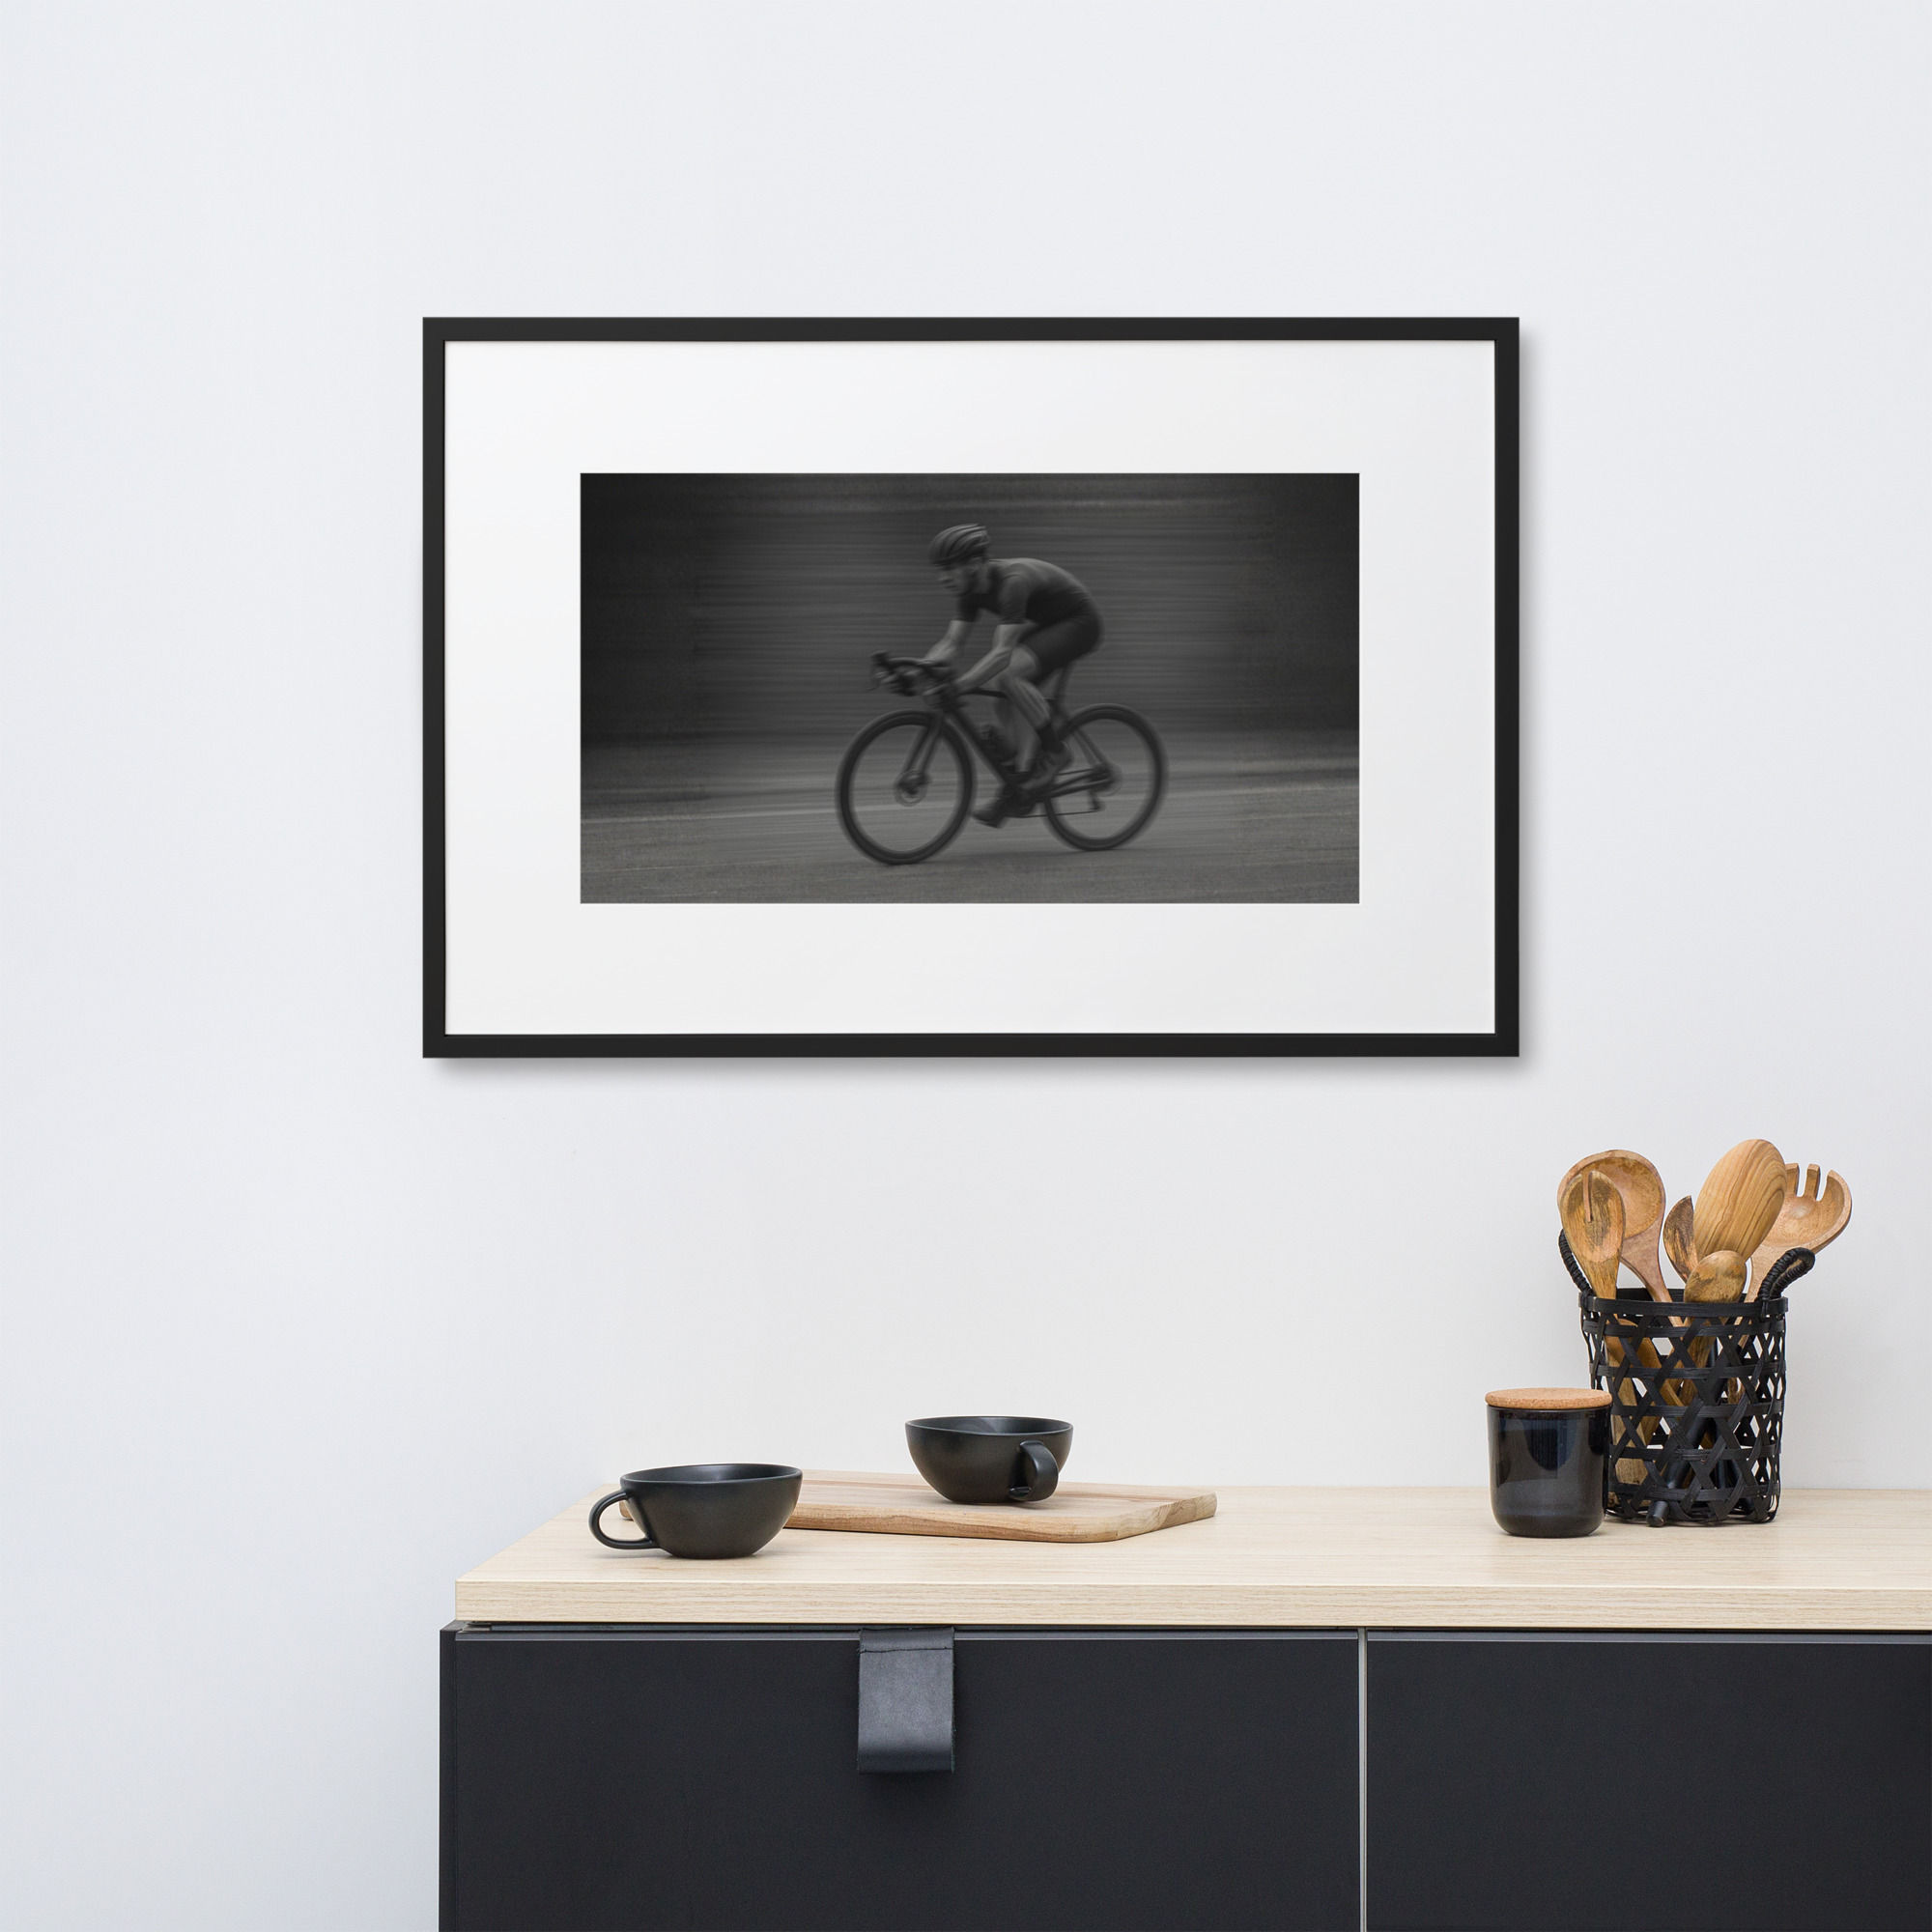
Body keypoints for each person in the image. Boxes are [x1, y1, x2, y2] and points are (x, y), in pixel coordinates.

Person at [920, 525, 1103, 827]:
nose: (943, 578)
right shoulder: (969, 592)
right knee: (1002, 694)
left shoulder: (1011, 583)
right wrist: (919, 669)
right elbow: (952, 644)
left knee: (1008, 674)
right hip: (1054, 622)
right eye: (940, 570)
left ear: (975, 564)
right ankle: (1021, 777)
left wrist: (961, 685)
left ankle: (1055, 753)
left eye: (950, 569)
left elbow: (1003, 654)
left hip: (1081, 623)